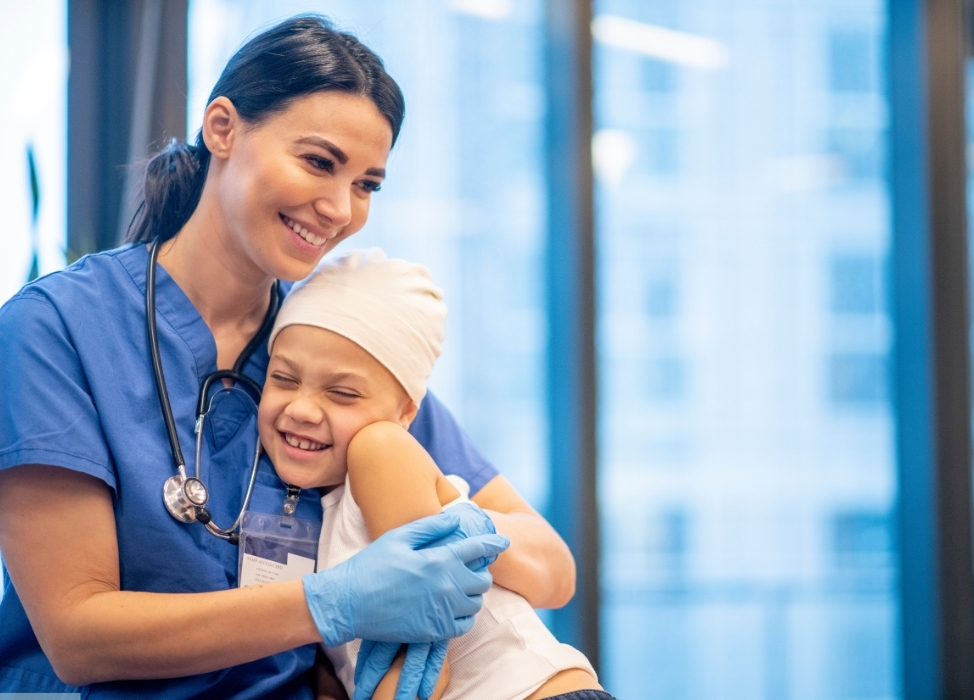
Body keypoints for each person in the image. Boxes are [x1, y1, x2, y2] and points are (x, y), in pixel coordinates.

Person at [0, 15, 573, 699]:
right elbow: (79, 634)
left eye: (367, 184)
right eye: (319, 162)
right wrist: (334, 601)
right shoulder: (56, 330)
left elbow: (548, 564)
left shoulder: (333, 335)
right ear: (222, 128)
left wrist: (456, 528)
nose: (340, 208)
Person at [257, 249, 614, 700]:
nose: (302, 409)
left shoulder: (381, 452)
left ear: (407, 412)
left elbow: (422, 668)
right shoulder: (323, 515)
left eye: (343, 393)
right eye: (283, 379)